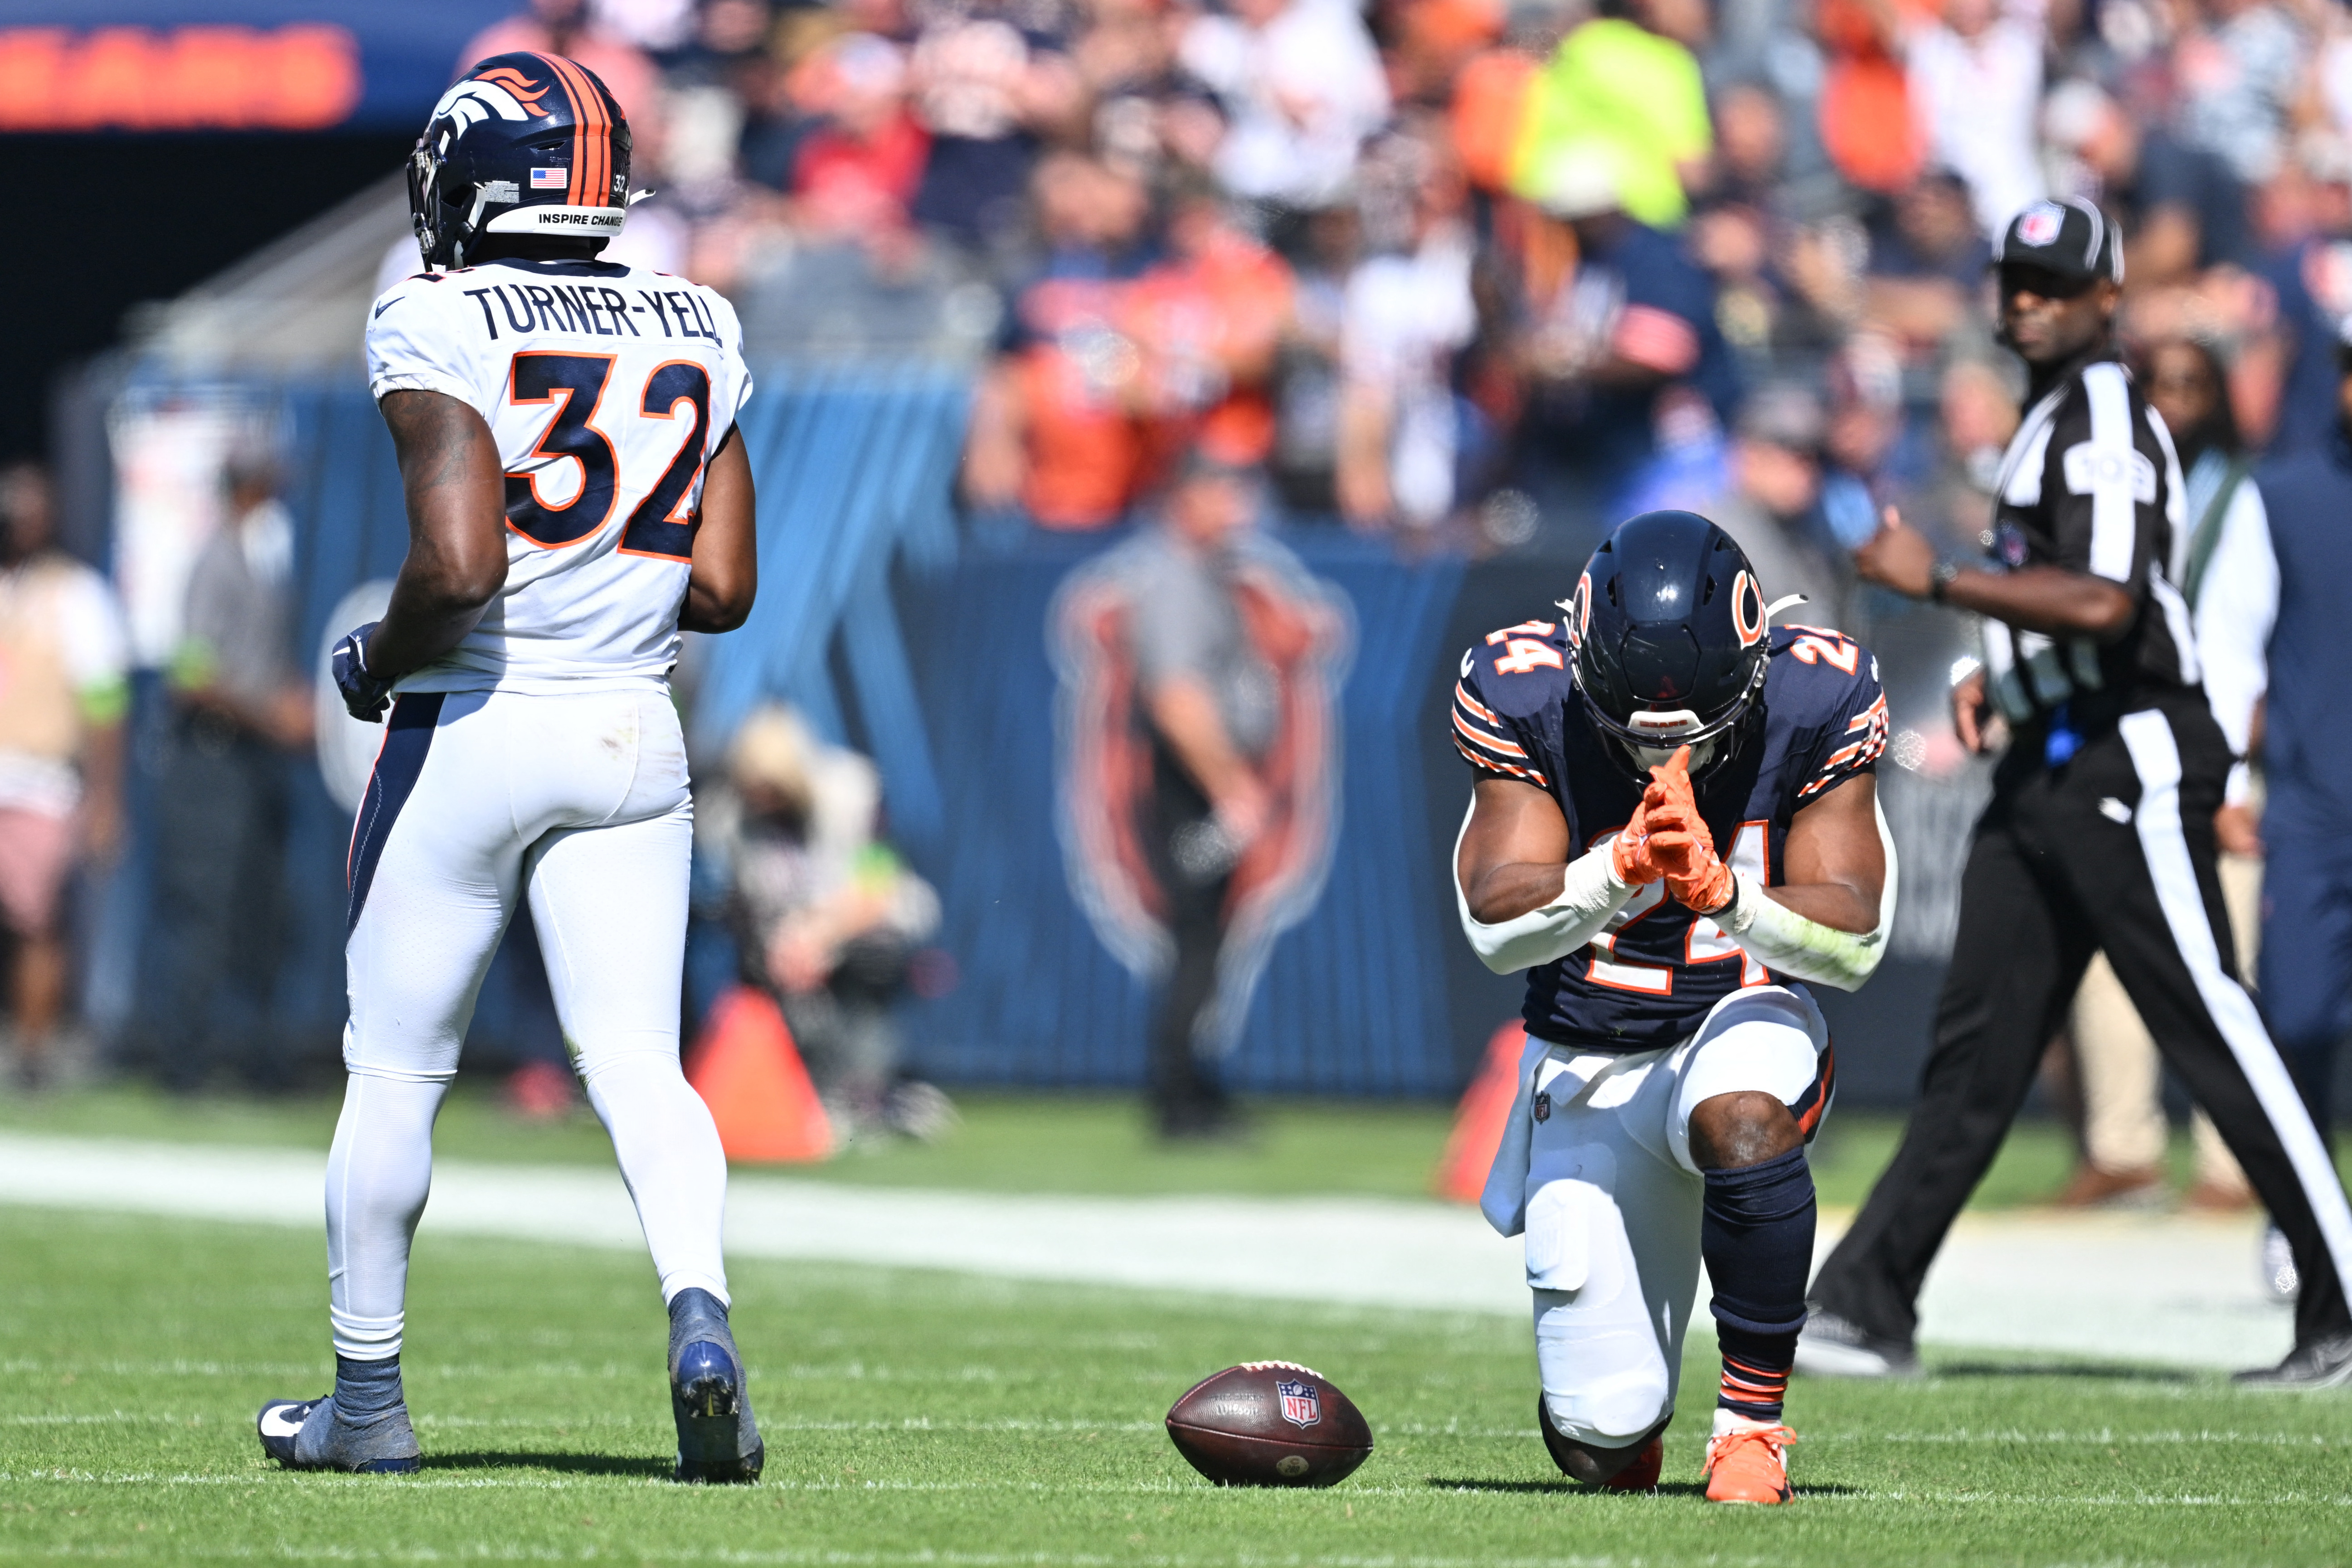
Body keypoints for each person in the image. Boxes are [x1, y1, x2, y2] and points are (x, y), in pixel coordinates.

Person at [255, 53, 763, 1481]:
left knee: (397, 1069)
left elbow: (460, 565)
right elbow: (722, 586)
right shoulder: (698, 316)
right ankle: (698, 1309)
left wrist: (372, 664)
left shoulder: (434, 310)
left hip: (477, 720)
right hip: (632, 732)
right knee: (643, 1068)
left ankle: (365, 1404)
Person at [1811, 198, 2352, 1387]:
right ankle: (1862, 1302)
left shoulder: (2102, 413)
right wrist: (2003, 682)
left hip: (2126, 754)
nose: (2025, 302)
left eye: (2053, 284)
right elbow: (2073, 602)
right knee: (1978, 1046)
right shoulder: (2055, 415)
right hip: (2052, 749)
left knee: (2207, 1018)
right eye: (2013, 280)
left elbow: (2106, 599)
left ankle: (2341, 1298)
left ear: (2107, 299)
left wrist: (1940, 577)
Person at [1454, 510, 1894, 1505]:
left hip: (1739, 1018)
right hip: (1589, 1053)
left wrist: (1728, 897)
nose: (1667, 760)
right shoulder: (1518, 688)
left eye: (1699, 735)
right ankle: (1622, 1413)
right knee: (1597, 1438)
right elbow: (1493, 924)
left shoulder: (1816, 690)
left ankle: (1749, 1426)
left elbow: (1856, 936)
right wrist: (1614, 869)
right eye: (1632, 736)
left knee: (1741, 1118)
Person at [2055, 335, 2268, 1211]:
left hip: (2218, 765)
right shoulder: (2117, 489)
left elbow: (2266, 643)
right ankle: (2123, 1147)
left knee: (2227, 964)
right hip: (2127, 750)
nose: (2173, 402)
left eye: (2191, 385)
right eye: (2159, 386)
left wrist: (2236, 764)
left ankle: (2232, 1160)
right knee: (2108, 957)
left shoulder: (2247, 499)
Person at [145, 443, 314, 1092]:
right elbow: (191, 675)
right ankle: (183, 1061)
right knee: (204, 909)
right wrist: (270, 713)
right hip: (212, 757)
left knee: (265, 911)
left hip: (256, 761)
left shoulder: (261, 559)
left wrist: (291, 700)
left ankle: (263, 1058)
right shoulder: (213, 561)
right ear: (247, 488)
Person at [1127, 454, 1281, 1138]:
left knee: (1209, 940)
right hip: (1192, 790)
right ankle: (1179, 1097)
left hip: (1205, 785)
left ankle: (1195, 1084)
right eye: (1223, 491)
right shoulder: (1177, 581)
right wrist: (1229, 786)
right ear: (1187, 498)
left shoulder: (1203, 577)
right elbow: (1178, 699)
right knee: (1195, 940)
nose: (1237, 508)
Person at [714, 704, 949, 1141]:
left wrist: (821, 934)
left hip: (860, 922)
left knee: (874, 955)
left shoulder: (854, 791)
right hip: (786, 936)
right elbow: (745, 903)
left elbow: (878, 883)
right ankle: (810, 1084)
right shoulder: (733, 819)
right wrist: (784, 943)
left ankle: (870, 1084)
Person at [2248, 316, 2352, 1278]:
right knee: (2300, 1022)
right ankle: (2299, 1216)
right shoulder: (2276, 497)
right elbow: (2228, 645)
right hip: (2311, 807)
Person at [0, 465, 127, 1090]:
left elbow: (104, 702)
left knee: (37, 921)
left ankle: (32, 1051)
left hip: (39, 780)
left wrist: (105, 796)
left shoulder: (76, 595)